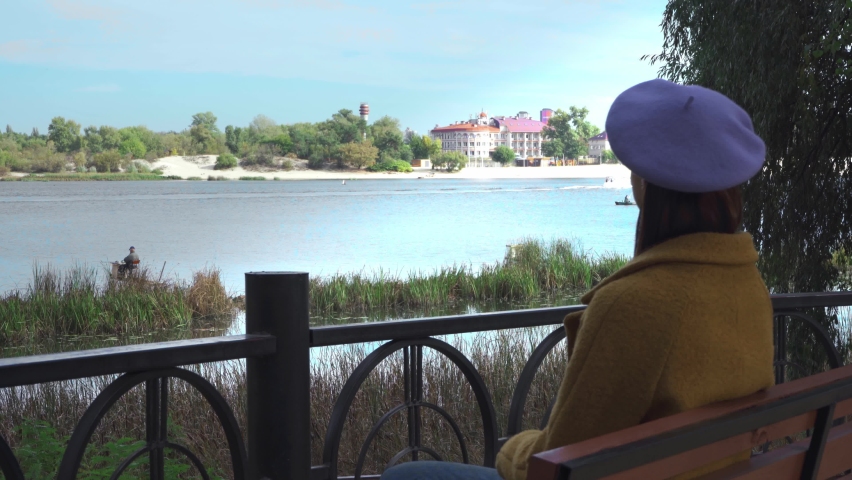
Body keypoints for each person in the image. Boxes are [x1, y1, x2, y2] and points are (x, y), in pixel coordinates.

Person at [381, 79, 773, 480]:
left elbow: (560, 459)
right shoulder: (748, 285)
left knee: (405, 477)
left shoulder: (634, 304)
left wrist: (512, 450)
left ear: (645, 184)